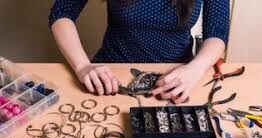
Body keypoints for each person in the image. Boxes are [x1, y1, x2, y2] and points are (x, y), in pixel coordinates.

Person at [49, 0, 229, 103]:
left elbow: (217, 34)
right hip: (111, 80)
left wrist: (194, 70)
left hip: (177, 80)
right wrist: (82, 66)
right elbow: (62, 13)